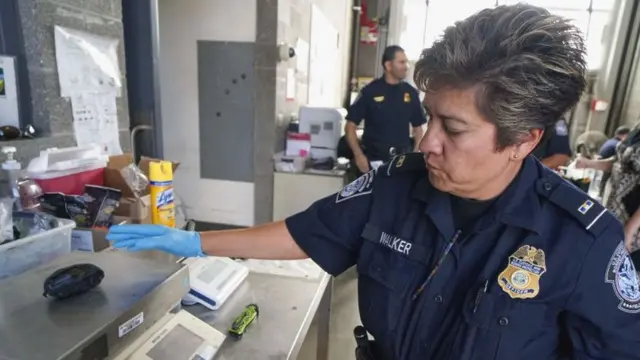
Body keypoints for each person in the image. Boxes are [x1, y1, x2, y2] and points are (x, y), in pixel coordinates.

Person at [108, 5, 640, 359]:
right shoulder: (394, 186)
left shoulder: (582, 242)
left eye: (452, 128)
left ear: (524, 139)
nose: (427, 142)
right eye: (429, 117)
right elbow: (303, 233)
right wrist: (196, 241)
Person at [345, 45, 426, 175]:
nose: (406, 66)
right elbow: (350, 127)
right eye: (401, 62)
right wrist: (359, 156)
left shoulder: (410, 93)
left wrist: (414, 156)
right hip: (373, 163)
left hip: (401, 164)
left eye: (406, 62)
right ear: (388, 65)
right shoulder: (370, 91)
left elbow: (418, 129)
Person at [576, 123, 640, 253]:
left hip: (634, 224)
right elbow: (619, 163)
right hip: (616, 212)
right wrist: (588, 163)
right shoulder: (636, 130)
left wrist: (631, 228)